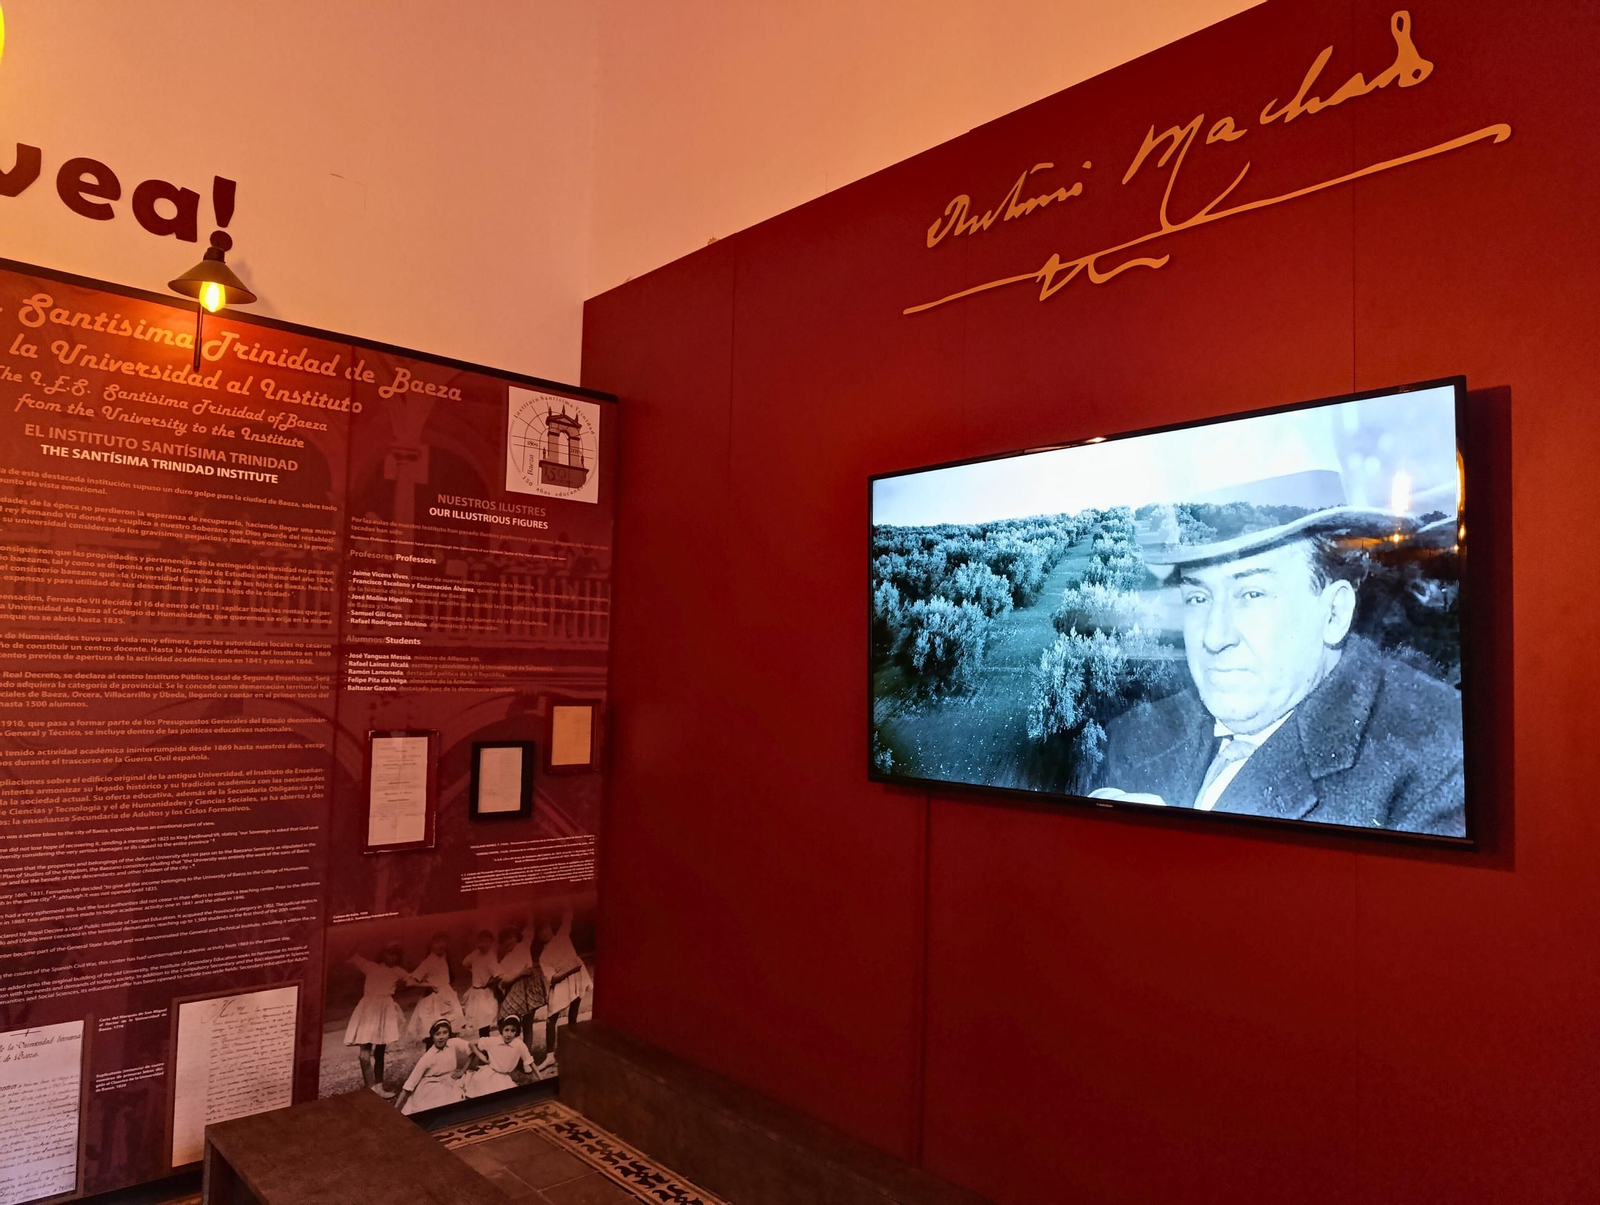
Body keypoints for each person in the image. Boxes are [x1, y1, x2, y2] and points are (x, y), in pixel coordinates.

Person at [1095, 501, 1464, 836]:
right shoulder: (1133, 737)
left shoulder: (1441, 764)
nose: (1214, 637)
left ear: (1333, 613)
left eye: (1251, 594)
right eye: (1198, 597)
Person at [344, 943, 409, 1097]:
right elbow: (351, 956)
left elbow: (412, 980)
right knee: (364, 1054)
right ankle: (371, 1089)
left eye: (395, 954)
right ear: (382, 954)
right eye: (388, 953)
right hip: (368, 1012)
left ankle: (379, 1087)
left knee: (380, 1051)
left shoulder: (398, 971)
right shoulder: (370, 966)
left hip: (385, 1012)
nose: (391, 957)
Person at [536, 905, 592, 1073]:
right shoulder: (543, 956)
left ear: (550, 928)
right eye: (540, 932)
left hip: (577, 979)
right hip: (561, 983)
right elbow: (553, 978)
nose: (543, 933)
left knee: (573, 1014)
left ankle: (572, 1048)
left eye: (545, 928)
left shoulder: (562, 935)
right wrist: (571, 970)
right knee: (550, 1018)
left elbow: (568, 915)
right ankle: (550, 1056)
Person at [393, 1020, 471, 1115]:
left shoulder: (452, 1044)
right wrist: (394, 1110)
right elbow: (409, 1085)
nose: (441, 1037)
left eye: (445, 1032)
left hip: (450, 1080)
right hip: (430, 1086)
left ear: (449, 1034)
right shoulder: (428, 1057)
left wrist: (463, 1070)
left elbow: (473, 1048)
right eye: (437, 1034)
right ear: (432, 1037)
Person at [404, 932, 465, 1042]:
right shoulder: (428, 962)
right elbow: (410, 982)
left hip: (447, 996)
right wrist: (429, 984)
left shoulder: (443, 957)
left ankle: (448, 1057)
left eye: (443, 942)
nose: (441, 945)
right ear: (431, 944)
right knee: (434, 1033)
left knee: (451, 1032)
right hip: (434, 1001)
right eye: (437, 942)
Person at [495, 922, 547, 1041]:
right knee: (506, 1020)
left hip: (529, 990)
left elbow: (530, 926)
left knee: (528, 1025)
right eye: (505, 940)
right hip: (515, 993)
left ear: (516, 937)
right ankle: (513, 1049)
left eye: (511, 938)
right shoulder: (504, 961)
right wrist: (519, 974)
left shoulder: (523, 945)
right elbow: (504, 982)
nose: (508, 941)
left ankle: (527, 1056)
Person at [464, 1016, 536, 1097]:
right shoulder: (494, 1040)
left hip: (503, 1076)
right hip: (488, 1073)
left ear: (517, 1032)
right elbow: (471, 1043)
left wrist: (540, 1078)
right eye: (506, 1030)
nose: (508, 1034)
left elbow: (530, 1062)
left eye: (513, 1031)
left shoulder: (519, 1044)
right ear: (502, 1030)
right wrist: (480, 1055)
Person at [460, 929, 502, 1037]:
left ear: (491, 943)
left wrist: (488, 983)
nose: (483, 945)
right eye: (481, 942)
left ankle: (486, 1046)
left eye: (487, 942)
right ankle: (483, 1045)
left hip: (485, 993)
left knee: (485, 1022)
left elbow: (498, 975)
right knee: (477, 1022)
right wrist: (473, 971)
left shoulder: (491, 956)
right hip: (475, 992)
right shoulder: (475, 954)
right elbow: (465, 963)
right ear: (477, 942)